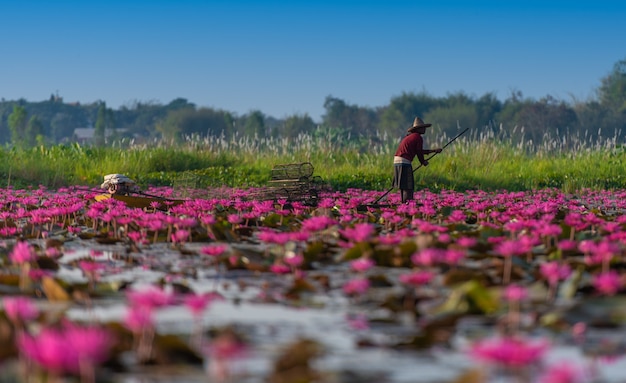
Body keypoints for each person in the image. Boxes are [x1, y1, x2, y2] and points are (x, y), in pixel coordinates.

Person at [392, 117, 442, 203]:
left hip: (397, 161)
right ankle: (408, 204)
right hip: (404, 162)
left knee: (403, 185)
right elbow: (419, 152)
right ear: (418, 129)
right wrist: (423, 162)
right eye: (423, 128)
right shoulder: (417, 137)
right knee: (408, 185)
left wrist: (434, 151)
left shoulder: (410, 137)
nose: (424, 129)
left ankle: (403, 203)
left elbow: (418, 151)